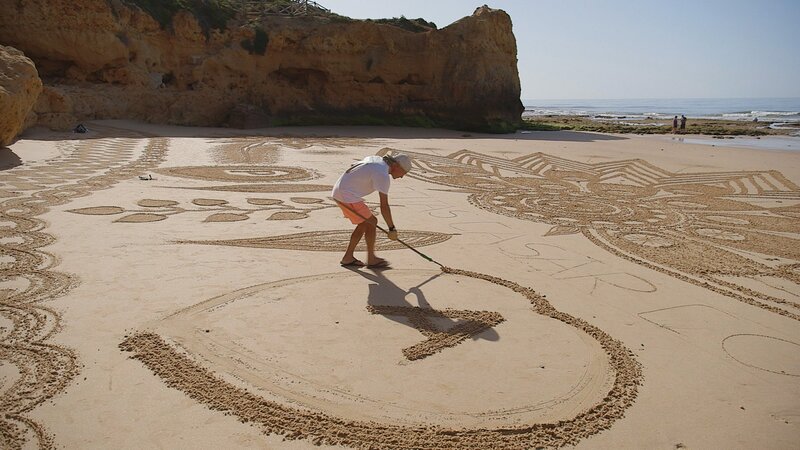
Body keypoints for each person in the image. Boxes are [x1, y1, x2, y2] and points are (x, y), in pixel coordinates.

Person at [332, 153, 412, 268]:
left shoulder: (377, 161)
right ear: (396, 166)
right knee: (371, 222)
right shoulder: (382, 174)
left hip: (339, 191)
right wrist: (391, 228)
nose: (402, 176)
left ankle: (349, 257)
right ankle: (371, 259)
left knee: (365, 223)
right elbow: (384, 206)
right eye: (403, 173)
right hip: (346, 194)